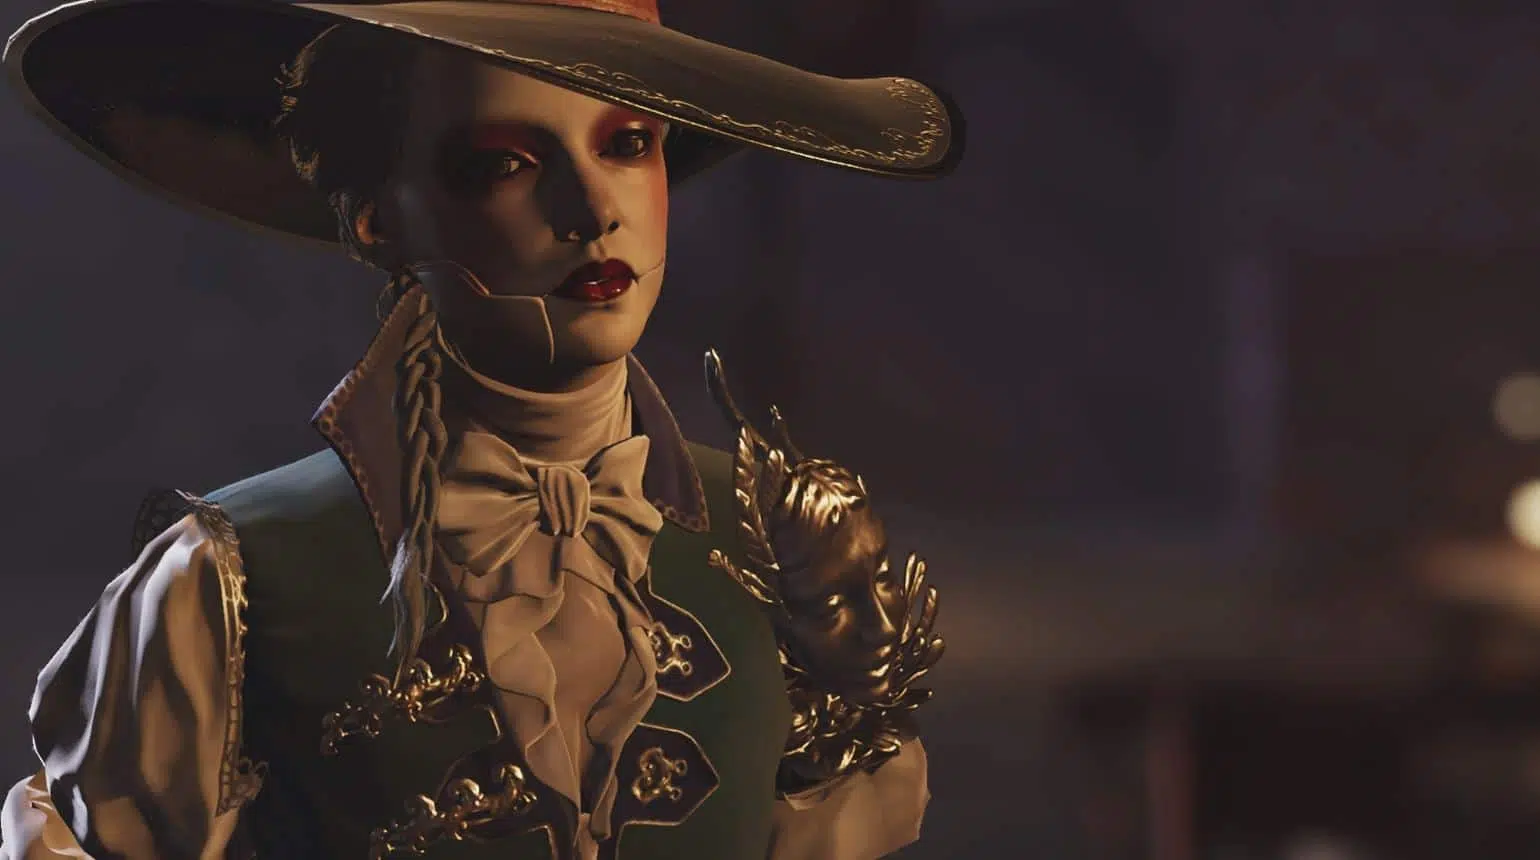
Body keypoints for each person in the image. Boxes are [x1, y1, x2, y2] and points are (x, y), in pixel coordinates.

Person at [0, 0, 962, 858]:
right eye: (505, 163)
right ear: (379, 219)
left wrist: (849, 687)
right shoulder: (226, 578)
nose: (594, 212)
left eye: (628, 143)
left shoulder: (785, 539)